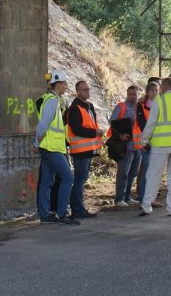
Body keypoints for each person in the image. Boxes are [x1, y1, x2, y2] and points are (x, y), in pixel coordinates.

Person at [34, 70, 79, 225]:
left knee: (47, 181)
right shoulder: (52, 101)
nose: (66, 86)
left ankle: (45, 215)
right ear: (57, 85)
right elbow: (43, 125)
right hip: (51, 147)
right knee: (68, 177)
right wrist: (36, 143)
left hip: (49, 147)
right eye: (64, 83)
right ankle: (62, 213)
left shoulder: (51, 100)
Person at [139, 77, 171, 216]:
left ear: (164, 87)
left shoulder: (159, 101)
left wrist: (144, 141)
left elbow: (151, 123)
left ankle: (147, 205)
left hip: (161, 145)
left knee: (154, 175)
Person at [67, 80, 101, 218]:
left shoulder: (89, 106)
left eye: (88, 89)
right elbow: (76, 129)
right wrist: (95, 133)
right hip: (80, 150)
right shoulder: (75, 108)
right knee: (80, 179)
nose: (88, 91)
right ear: (78, 92)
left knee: (82, 178)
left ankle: (78, 208)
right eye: (84, 90)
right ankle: (77, 209)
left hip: (88, 149)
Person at [108, 85, 142, 207]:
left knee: (133, 172)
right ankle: (119, 199)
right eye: (130, 94)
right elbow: (112, 122)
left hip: (137, 145)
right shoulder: (121, 106)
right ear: (127, 94)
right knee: (123, 172)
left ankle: (127, 197)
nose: (132, 97)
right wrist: (120, 135)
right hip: (126, 145)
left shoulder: (140, 107)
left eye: (134, 94)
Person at [134, 81, 158, 205]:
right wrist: (147, 141)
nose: (154, 92)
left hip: (157, 142)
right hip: (145, 142)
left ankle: (150, 198)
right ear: (147, 92)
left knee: (153, 171)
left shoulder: (159, 104)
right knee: (147, 170)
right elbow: (142, 124)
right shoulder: (141, 105)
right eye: (152, 90)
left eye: (156, 90)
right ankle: (144, 198)